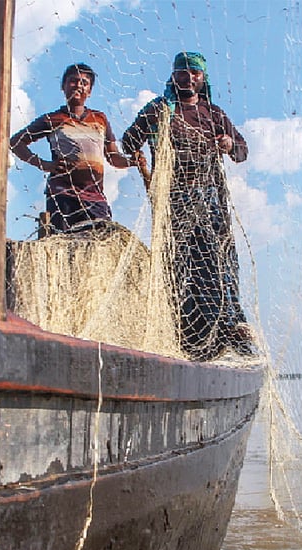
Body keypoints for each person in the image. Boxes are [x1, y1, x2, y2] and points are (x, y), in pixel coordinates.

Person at [121, 51, 252, 361]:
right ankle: (187, 335)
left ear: (202, 78)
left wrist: (229, 144)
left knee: (217, 264)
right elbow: (128, 143)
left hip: (209, 200)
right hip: (174, 199)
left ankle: (228, 329)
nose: (188, 77)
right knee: (179, 266)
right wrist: (146, 150)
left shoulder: (213, 114)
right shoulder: (160, 109)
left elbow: (243, 150)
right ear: (174, 76)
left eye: (194, 72)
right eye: (182, 71)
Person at [10, 63, 131, 235]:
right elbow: (16, 142)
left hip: (95, 197)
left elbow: (112, 157)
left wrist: (131, 161)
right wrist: (44, 164)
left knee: (100, 242)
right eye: (73, 81)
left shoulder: (99, 119)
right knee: (62, 245)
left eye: (84, 83)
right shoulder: (52, 119)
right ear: (63, 86)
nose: (79, 86)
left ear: (89, 91)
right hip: (63, 195)